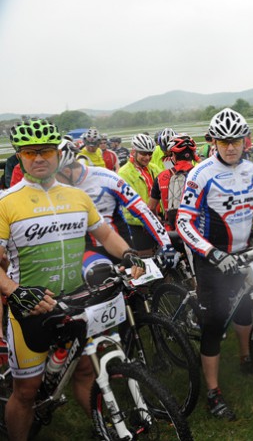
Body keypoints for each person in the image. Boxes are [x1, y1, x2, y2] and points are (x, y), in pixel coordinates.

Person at [0, 119, 145, 440]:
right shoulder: (6, 202)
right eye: (30, 152)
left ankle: (101, 427)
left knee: (84, 370)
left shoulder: (77, 197)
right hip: (31, 308)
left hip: (77, 300)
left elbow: (105, 234)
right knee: (26, 391)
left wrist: (128, 253)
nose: (39, 158)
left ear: (58, 153)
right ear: (20, 156)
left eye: (46, 151)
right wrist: (14, 291)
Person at [176, 108, 253, 420]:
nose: (230, 147)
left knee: (245, 310)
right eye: (223, 141)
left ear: (245, 141)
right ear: (214, 142)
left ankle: (246, 359)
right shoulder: (201, 174)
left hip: (243, 253)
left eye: (236, 141)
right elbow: (184, 222)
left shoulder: (251, 170)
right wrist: (211, 253)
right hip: (212, 259)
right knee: (215, 324)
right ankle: (213, 392)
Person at [55, 139, 177, 267]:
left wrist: (166, 244)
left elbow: (142, 210)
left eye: (55, 176)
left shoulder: (106, 178)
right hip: (87, 252)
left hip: (120, 247)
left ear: (66, 171)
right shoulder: (52, 189)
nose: (53, 182)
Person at [117, 133, 163, 255]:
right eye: (143, 153)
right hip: (138, 225)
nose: (147, 157)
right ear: (134, 152)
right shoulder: (124, 173)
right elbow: (128, 207)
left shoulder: (154, 168)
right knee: (147, 258)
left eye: (150, 154)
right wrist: (148, 220)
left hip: (158, 220)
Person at [148, 134, 199, 231]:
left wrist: (159, 219)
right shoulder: (201, 174)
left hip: (171, 230)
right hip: (196, 230)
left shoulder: (161, 177)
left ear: (174, 155)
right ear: (193, 154)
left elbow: (151, 208)